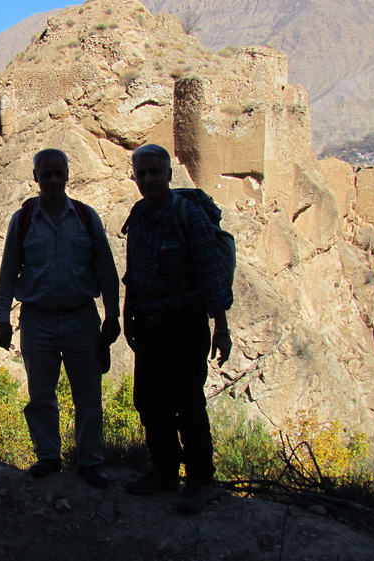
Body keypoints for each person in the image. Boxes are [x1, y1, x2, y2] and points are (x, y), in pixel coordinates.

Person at [0, 148, 120, 488]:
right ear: (35, 177)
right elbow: (8, 272)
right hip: (37, 320)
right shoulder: (22, 220)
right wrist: (3, 318)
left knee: (89, 394)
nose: (51, 179)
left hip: (82, 318)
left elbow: (106, 270)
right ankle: (48, 456)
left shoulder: (85, 217)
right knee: (40, 393)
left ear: (67, 175)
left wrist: (113, 314)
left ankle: (90, 461)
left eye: (57, 173)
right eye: (45, 174)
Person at [122, 144, 233, 512]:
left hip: (184, 325)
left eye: (156, 172)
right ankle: (164, 471)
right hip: (149, 325)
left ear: (169, 175)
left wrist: (221, 326)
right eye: (143, 174)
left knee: (187, 402)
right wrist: (128, 316)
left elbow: (210, 272)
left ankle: (200, 480)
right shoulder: (137, 216)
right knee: (149, 401)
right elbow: (133, 273)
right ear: (135, 178)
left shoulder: (189, 216)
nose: (150, 179)